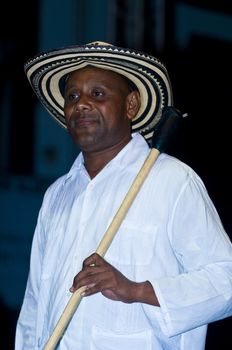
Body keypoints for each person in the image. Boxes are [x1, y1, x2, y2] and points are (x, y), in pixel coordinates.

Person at [15, 41, 232, 350]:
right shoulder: (56, 195)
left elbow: (226, 280)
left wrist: (136, 289)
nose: (81, 104)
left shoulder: (172, 181)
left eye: (98, 94)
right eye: (72, 96)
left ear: (131, 105)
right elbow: (35, 304)